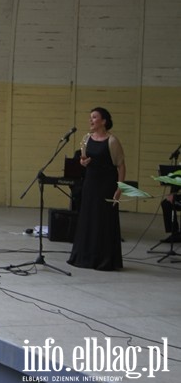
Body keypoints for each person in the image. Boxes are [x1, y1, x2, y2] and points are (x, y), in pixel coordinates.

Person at [68, 107, 126, 271]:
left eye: (94, 117)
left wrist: (119, 188)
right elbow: (83, 159)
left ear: (104, 121)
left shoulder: (112, 141)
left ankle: (104, 259)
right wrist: (83, 162)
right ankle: (85, 256)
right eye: (90, 117)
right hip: (90, 184)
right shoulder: (86, 138)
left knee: (104, 221)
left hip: (106, 185)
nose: (91, 120)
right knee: (88, 219)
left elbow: (121, 166)